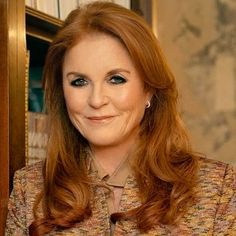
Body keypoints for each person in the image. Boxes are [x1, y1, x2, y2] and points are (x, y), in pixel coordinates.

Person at [5, 1, 236, 235]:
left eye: (116, 79)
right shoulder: (30, 187)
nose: (96, 100)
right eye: (79, 82)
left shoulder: (219, 188)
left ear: (149, 88)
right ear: (61, 92)